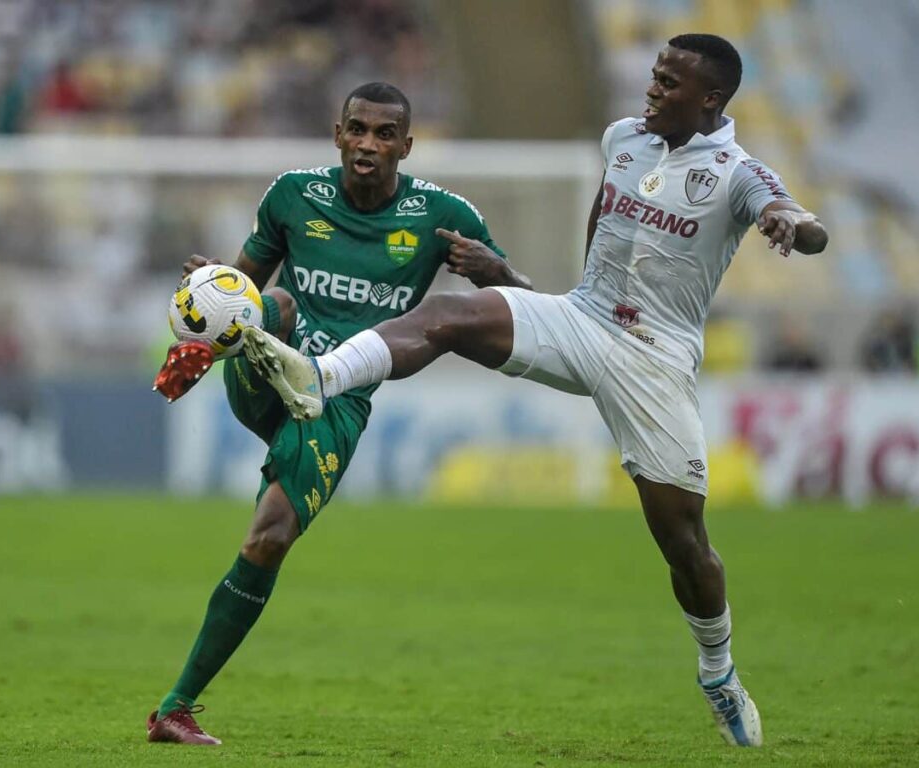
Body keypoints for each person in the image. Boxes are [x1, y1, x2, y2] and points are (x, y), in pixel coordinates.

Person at [241, 34, 829, 747]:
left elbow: (798, 218)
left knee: (684, 542)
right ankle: (319, 378)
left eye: (669, 83)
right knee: (446, 316)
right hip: (582, 319)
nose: (651, 89)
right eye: (654, 74)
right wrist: (568, 294)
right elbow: (603, 222)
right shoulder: (624, 139)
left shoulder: (737, 173)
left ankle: (719, 673)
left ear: (710, 99)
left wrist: (789, 224)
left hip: (655, 359)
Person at [147, 81, 531, 745]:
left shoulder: (443, 218)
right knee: (285, 308)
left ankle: (174, 710)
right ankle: (212, 362)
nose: (368, 145)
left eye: (385, 135)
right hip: (271, 367)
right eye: (358, 129)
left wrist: (501, 271)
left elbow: (532, 315)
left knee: (268, 537)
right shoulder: (294, 195)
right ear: (338, 133)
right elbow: (245, 290)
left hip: (337, 402)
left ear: (406, 147)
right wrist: (213, 303)